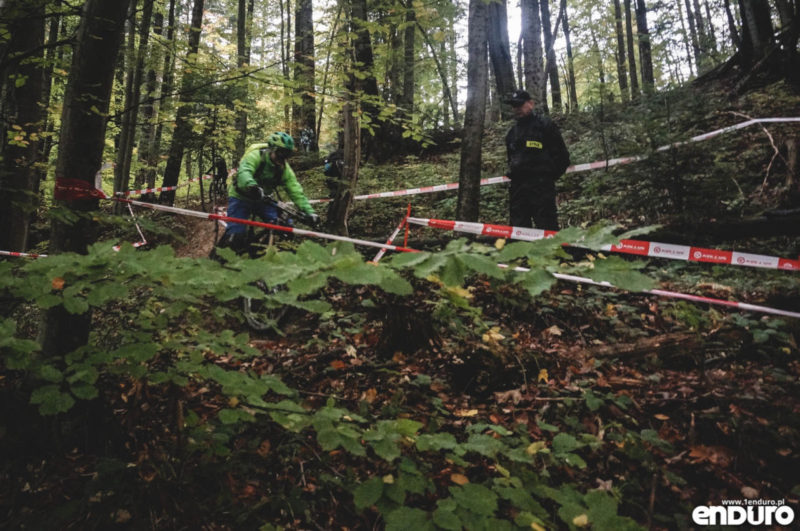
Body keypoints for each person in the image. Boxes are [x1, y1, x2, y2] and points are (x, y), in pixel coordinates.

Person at [217, 132, 320, 253]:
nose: (282, 159)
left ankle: (260, 253)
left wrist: (310, 212)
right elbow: (244, 172)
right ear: (271, 150)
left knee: (285, 227)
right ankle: (220, 259)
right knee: (236, 236)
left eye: (286, 155)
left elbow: (296, 190)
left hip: (263, 200)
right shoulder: (256, 156)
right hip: (241, 198)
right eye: (280, 153)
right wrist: (252, 186)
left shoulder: (284, 169)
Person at [504, 90, 570, 230]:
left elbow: (562, 157)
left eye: (520, 105)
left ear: (531, 104)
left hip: (541, 187)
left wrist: (546, 177)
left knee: (547, 227)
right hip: (518, 188)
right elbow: (511, 160)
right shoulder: (511, 133)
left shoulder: (545, 126)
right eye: (514, 106)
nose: (517, 109)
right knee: (518, 230)